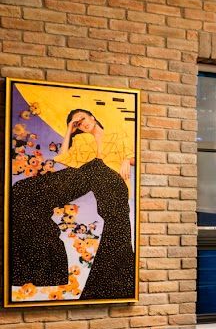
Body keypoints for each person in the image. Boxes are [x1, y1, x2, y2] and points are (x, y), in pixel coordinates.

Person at [8, 108, 135, 301]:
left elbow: (137, 156)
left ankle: (112, 285)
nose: (82, 124)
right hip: (86, 174)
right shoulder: (82, 140)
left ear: (92, 116)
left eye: (82, 119)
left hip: (110, 179)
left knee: (116, 221)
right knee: (23, 190)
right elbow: (63, 159)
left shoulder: (119, 133)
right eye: (77, 123)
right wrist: (69, 129)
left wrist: (126, 159)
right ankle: (44, 270)